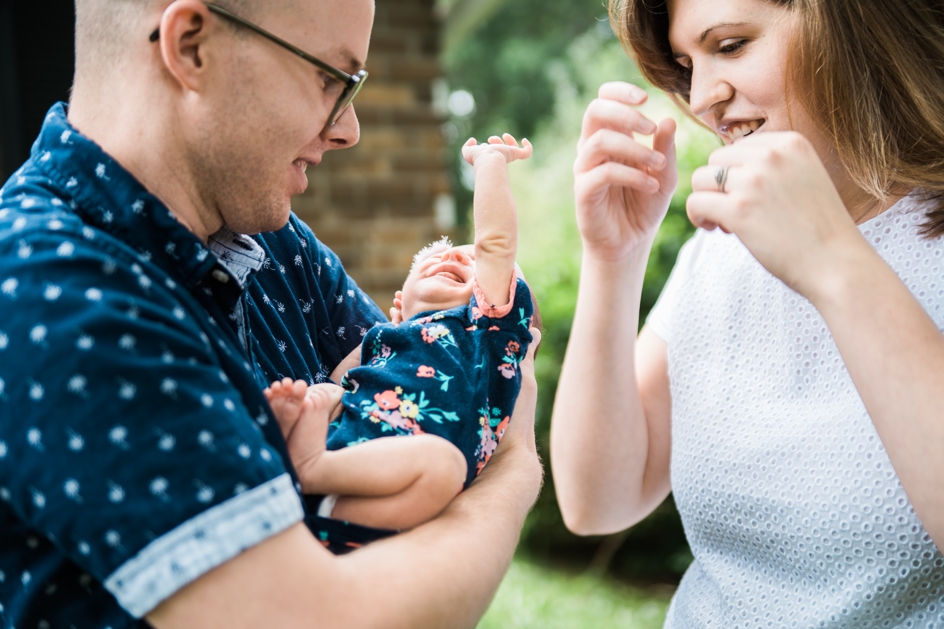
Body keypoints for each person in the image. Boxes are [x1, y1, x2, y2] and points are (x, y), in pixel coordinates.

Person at [0, 1, 542, 628]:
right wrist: (516, 464)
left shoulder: (272, 243)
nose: (349, 130)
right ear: (193, 46)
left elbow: (416, 412)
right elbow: (328, 617)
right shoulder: (56, 294)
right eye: (330, 79)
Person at [551, 0, 944, 625]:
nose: (704, 95)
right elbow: (597, 501)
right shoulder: (725, 243)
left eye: (731, 45)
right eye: (686, 65)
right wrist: (614, 256)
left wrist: (834, 263)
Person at [265, 135, 536, 544]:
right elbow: (346, 380)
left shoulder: (484, 335)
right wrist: (317, 401)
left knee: (444, 464)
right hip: (348, 453)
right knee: (324, 390)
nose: (454, 256)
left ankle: (309, 467)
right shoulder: (386, 339)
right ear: (399, 305)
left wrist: (490, 162)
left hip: (393, 487)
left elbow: (495, 242)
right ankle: (299, 447)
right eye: (436, 254)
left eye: (474, 262)